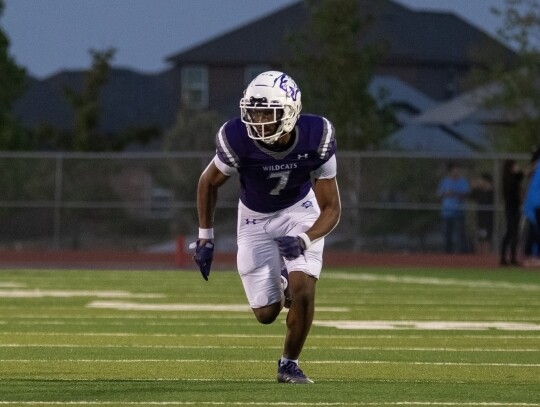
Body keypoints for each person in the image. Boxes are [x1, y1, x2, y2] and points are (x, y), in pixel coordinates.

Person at [192, 71, 341, 384]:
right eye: (253, 112)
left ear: (289, 113)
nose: (257, 120)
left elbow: (331, 208)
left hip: (300, 211)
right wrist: (205, 237)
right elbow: (209, 182)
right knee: (266, 314)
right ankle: (281, 284)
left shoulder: (316, 134)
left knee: (304, 289)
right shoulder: (237, 137)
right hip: (254, 219)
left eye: (266, 113)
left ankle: (289, 365)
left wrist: (305, 238)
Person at [437, 162, 470, 253]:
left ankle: (461, 253)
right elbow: (440, 194)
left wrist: (455, 193)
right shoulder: (444, 181)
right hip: (447, 212)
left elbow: (466, 193)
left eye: (458, 170)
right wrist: (446, 193)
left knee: (460, 234)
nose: (456, 172)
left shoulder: (463, 181)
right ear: (450, 171)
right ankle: (448, 252)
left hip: (459, 212)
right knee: (447, 234)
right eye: (454, 170)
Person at [500, 160, 524, 266]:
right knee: (511, 232)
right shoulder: (508, 179)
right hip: (510, 208)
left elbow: (522, 175)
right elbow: (515, 182)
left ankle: (513, 257)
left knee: (515, 233)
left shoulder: (515, 178)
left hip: (515, 208)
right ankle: (504, 257)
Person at [522, 146, 540, 264]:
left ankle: (534, 255)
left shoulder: (536, 168)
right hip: (536, 204)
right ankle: (535, 256)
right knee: (536, 231)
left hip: (533, 204)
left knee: (534, 231)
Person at [469, 172, 494, 254]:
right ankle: (479, 258)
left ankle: (486, 257)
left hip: (488, 221)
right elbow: (470, 196)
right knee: (479, 240)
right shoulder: (479, 192)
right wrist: (473, 187)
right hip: (480, 220)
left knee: (486, 240)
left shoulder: (491, 193)